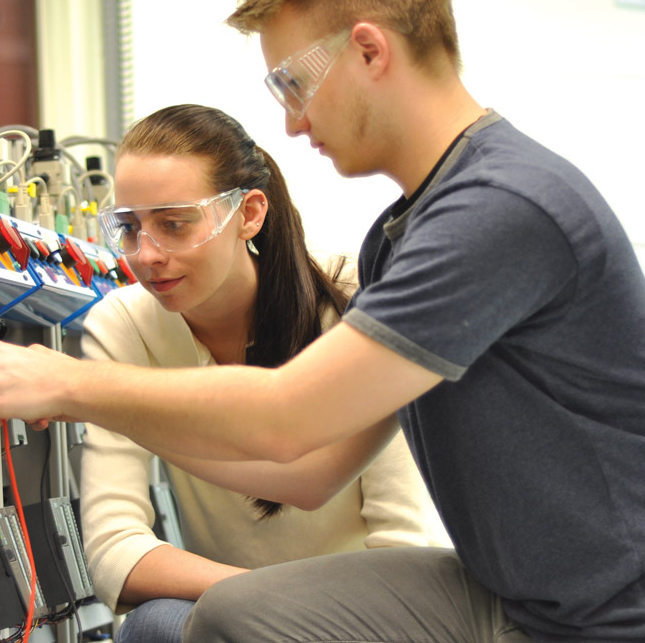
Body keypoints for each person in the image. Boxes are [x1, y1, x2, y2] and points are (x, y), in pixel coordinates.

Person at [0, 0, 645, 641]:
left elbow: (288, 417)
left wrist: (70, 385)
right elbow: (312, 467)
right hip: (521, 601)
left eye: (292, 82)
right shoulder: (401, 235)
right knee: (224, 619)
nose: (287, 120)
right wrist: (118, 414)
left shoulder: (502, 206)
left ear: (367, 50)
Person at [76, 104, 442, 643]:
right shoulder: (125, 324)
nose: (146, 255)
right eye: (128, 228)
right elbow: (114, 554)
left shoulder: (354, 306)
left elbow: (400, 540)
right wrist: (263, 601)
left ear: (248, 213)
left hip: (368, 617)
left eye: (174, 225)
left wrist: (277, 609)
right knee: (154, 627)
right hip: (241, 618)